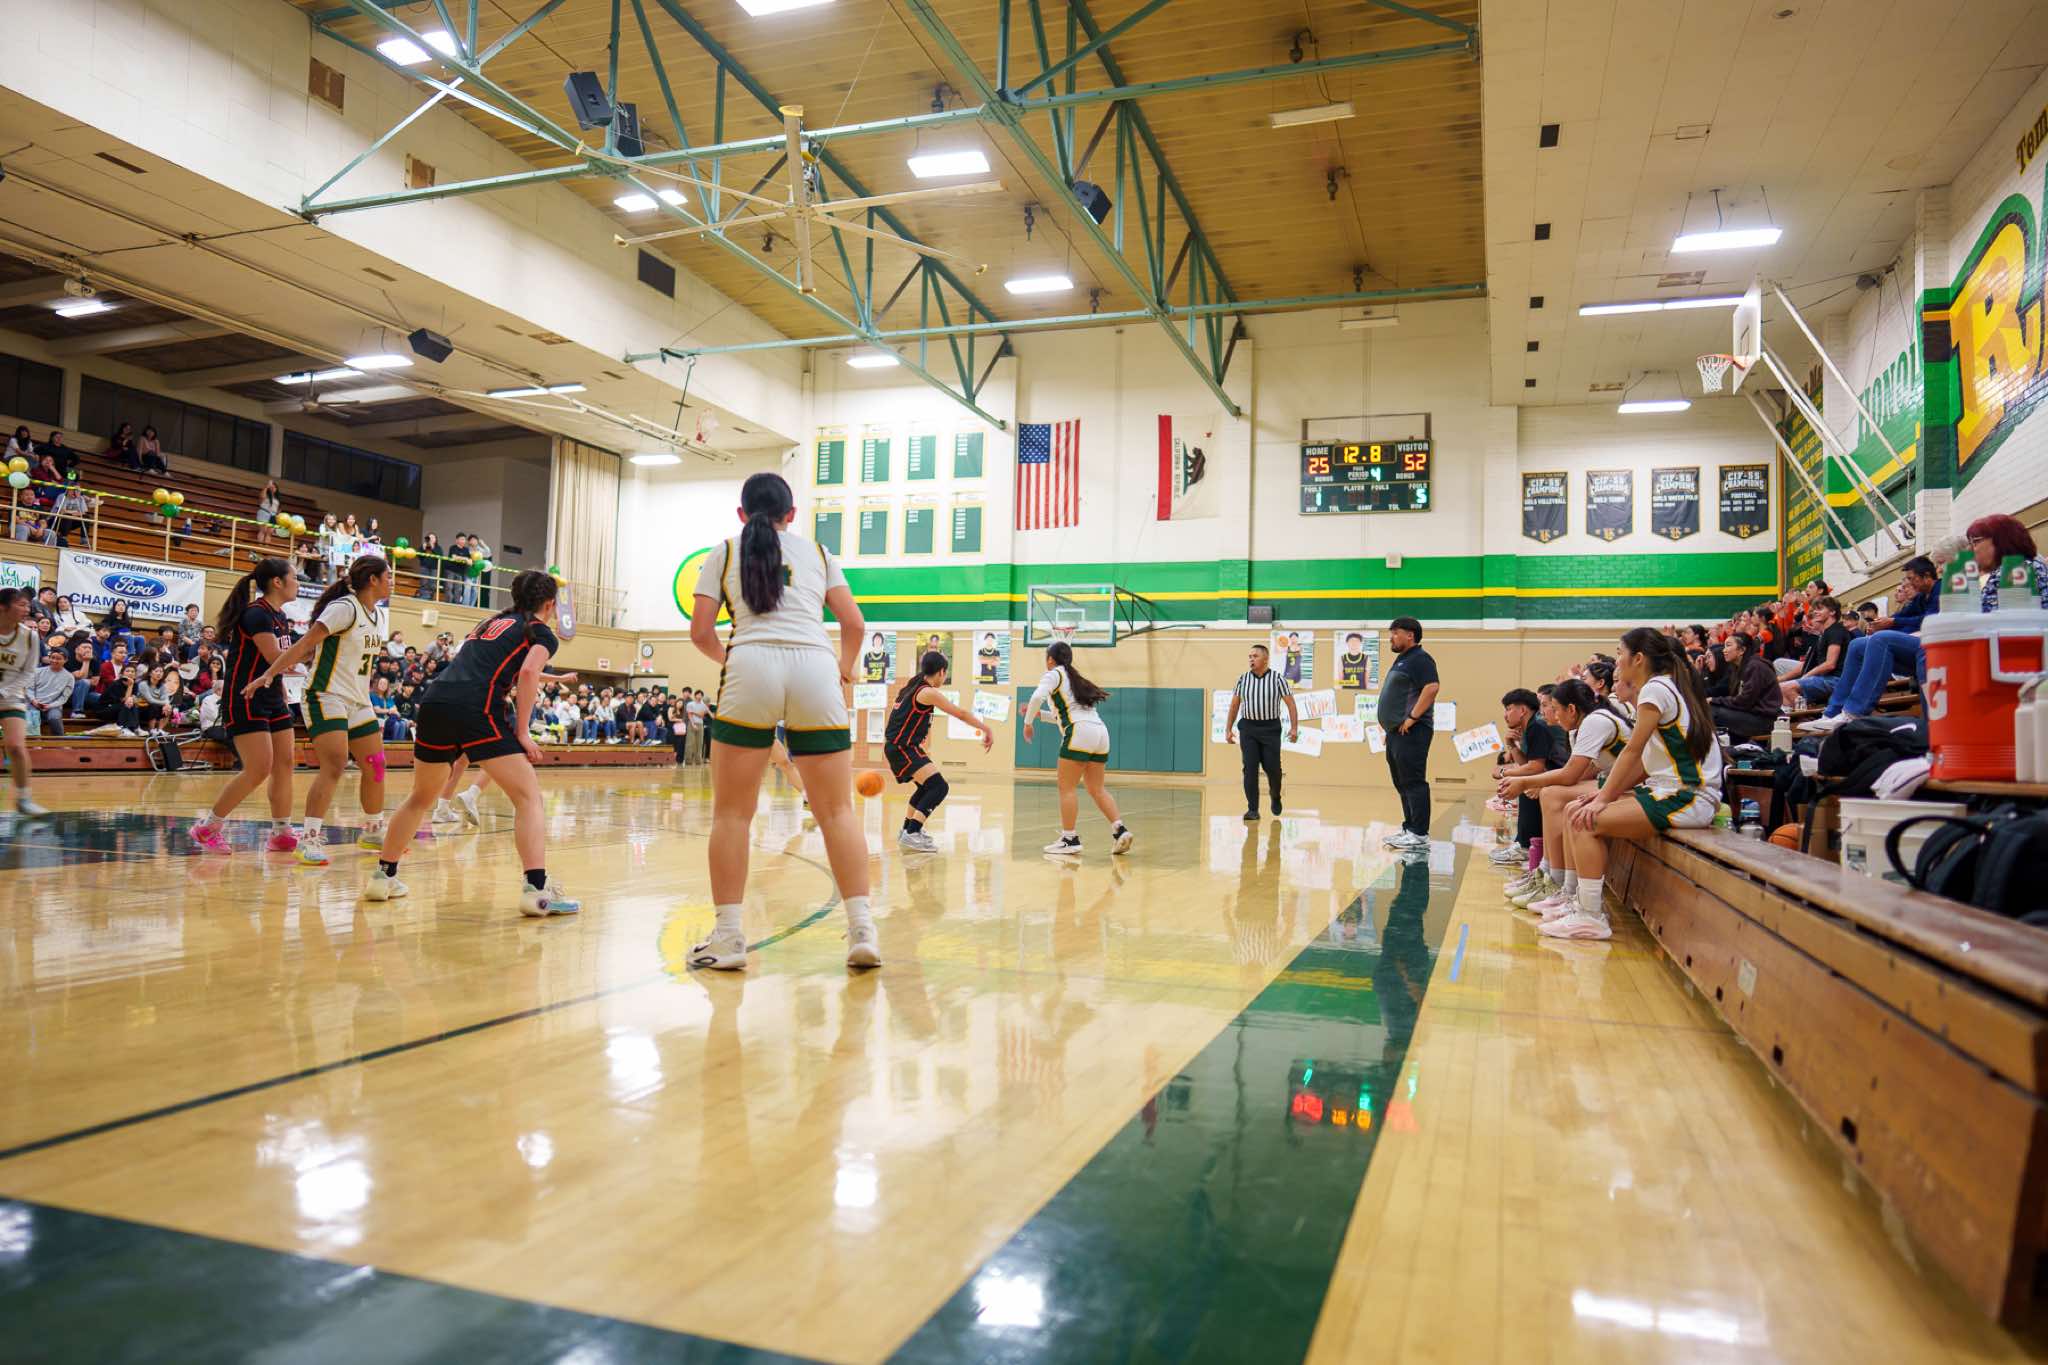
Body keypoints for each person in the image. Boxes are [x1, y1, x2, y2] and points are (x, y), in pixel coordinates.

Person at [687, 470, 876, 969]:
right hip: (815, 667)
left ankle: (729, 938)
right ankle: (862, 930)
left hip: (750, 666)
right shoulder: (819, 554)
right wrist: (844, 668)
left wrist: (734, 661)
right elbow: (854, 623)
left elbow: (701, 633)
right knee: (838, 812)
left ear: (741, 514)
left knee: (732, 815)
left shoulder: (723, 551)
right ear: (792, 514)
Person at [367, 570, 579, 913]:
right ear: (550, 604)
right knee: (528, 798)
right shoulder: (539, 631)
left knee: (420, 797)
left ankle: (383, 876)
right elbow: (527, 672)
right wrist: (523, 732)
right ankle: (537, 891)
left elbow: (504, 665)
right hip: (476, 706)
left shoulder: (491, 623)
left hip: (435, 702)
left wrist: (549, 677)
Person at [1549, 629, 1725, 941]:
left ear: (1639, 658)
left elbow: (1632, 752)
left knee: (1582, 821)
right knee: (1578, 809)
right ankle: (1576, 901)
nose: (1617, 660)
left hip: (1687, 796)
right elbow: (1644, 762)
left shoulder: (1655, 689)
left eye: (1620, 653)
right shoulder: (1665, 687)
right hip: (1674, 791)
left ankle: (1590, 915)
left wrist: (1603, 799)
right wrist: (1605, 794)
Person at [245, 556, 394, 866]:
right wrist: (269, 674)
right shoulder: (344, 608)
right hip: (325, 694)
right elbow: (305, 645)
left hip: (358, 699)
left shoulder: (378, 616)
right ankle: (309, 839)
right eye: (388, 576)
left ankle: (373, 830)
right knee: (335, 764)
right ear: (373, 580)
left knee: (376, 764)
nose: (392, 582)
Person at [187, 558, 302, 854]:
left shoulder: (279, 616)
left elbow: (276, 664)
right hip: (245, 697)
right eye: (294, 577)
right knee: (259, 769)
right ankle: (208, 827)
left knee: (285, 764)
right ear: (277, 582)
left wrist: (283, 682)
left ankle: (281, 831)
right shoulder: (256, 614)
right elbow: (276, 657)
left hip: (273, 696)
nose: (298, 583)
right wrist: (316, 646)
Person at [1502, 677, 1631, 912]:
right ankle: (1549, 873)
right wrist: (1538, 783)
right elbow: (1583, 773)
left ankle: (1559, 883)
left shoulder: (1595, 721)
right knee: (1550, 792)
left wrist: (1525, 781)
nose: (1550, 714)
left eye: (1554, 708)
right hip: (1611, 782)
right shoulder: (1578, 729)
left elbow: (1571, 775)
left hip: (1630, 786)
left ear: (1571, 709)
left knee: (1552, 795)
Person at [1022, 640, 1134, 857]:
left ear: (1050, 659)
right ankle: (1120, 830)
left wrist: (1027, 723)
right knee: (1096, 789)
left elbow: (1037, 697)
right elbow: (1067, 715)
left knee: (1067, 788)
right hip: (1100, 732)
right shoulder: (1075, 678)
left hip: (1080, 732)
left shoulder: (1054, 674)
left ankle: (1069, 839)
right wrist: (1038, 715)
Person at [1804, 556, 1940, 734]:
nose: (1910, 583)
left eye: (1912, 578)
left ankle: (1855, 712)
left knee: (1881, 639)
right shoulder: (1921, 597)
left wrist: (1892, 623)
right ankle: (1833, 712)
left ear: (1927, 576)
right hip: (1916, 645)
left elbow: (1930, 619)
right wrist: (1881, 623)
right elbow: (1901, 617)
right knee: (1858, 645)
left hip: (1934, 646)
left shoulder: (1941, 589)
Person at [885, 649, 993, 851]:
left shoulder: (913, 685)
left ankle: (907, 830)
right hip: (902, 747)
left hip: (900, 746)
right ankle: (913, 832)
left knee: (926, 787)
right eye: (945, 673)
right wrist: (985, 728)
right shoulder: (927, 692)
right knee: (939, 787)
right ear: (942, 671)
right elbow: (960, 714)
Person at [1377, 617, 1440, 851]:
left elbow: (1432, 687)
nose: (1391, 638)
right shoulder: (1402, 660)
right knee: (1401, 782)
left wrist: (1412, 717)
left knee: (1413, 781)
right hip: (1397, 733)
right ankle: (1410, 828)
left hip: (1413, 731)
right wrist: (1391, 727)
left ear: (1410, 635)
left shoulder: (1420, 659)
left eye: (1396, 633)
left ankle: (1419, 833)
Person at [1490, 687, 1564, 867]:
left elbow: (1535, 768)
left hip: (1562, 777)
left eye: (1509, 709)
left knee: (1525, 785)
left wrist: (1503, 773)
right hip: (1553, 775)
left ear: (1522, 710)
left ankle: (1525, 846)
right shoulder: (1531, 727)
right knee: (1525, 783)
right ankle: (1526, 844)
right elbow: (1527, 765)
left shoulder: (1536, 727)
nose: (1505, 715)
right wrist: (1511, 744)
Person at [1225, 643, 1298, 822]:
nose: (1251, 659)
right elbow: (1234, 705)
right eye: (1249, 657)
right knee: (1249, 769)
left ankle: (1275, 796)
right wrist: (1228, 729)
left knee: (1273, 769)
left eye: (1255, 656)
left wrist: (1294, 728)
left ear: (1265, 659)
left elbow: (1291, 704)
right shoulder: (1243, 679)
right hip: (1248, 729)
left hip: (1270, 729)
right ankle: (1253, 810)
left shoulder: (1278, 679)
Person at [0, 589, 49, 814]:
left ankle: (23, 799)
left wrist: (5, 691)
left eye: (28, 605)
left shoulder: (30, 636)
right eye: (21, 605)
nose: (27, 609)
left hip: (10, 695)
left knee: (16, 746)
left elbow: (29, 672)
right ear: (3, 607)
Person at [1777, 595, 1848, 709]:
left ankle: (1806, 715)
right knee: (1779, 688)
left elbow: (1830, 664)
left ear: (1832, 612)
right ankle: (1799, 716)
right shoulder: (1826, 633)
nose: (1815, 612)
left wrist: (1806, 676)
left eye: (1820, 609)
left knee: (1785, 688)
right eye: (1815, 609)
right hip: (1825, 678)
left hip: (1835, 680)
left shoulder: (1835, 631)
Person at [1709, 631, 1779, 742]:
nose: (1724, 650)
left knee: (1711, 710)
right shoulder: (1737, 667)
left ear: (1742, 650)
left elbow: (1744, 701)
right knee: (1709, 708)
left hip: (1764, 720)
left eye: (1728, 645)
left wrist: (1714, 700)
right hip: (1750, 715)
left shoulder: (1756, 666)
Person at [33, 648, 72, 737]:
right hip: (34, 703)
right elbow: (29, 688)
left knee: (54, 718)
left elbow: (64, 697)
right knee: (31, 716)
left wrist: (50, 706)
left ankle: (60, 740)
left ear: (65, 660)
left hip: (54, 706)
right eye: (52, 657)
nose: (54, 660)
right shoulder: (37, 671)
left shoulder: (69, 677)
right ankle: (33, 741)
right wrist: (33, 701)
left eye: (58, 658)